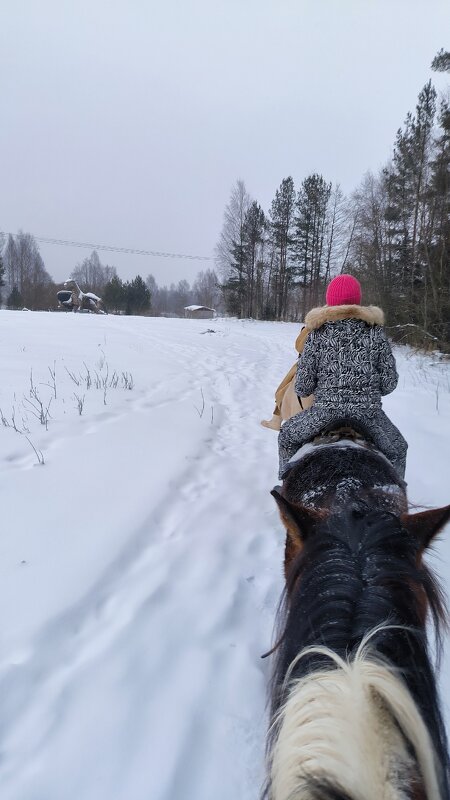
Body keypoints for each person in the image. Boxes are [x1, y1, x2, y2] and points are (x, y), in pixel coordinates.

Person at [278, 274, 408, 480]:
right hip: (369, 416)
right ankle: (397, 496)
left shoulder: (317, 334)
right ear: (358, 301)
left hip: (323, 414)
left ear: (329, 302)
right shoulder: (375, 333)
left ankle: (286, 487)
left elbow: (302, 387)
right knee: (399, 449)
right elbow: (389, 384)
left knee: (286, 437)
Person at [261, 326, 313, 430]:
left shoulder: (318, 323)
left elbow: (300, 346)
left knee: (285, 389)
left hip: (312, 366)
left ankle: (276, 420)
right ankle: (276, 420)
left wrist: (308, 328)